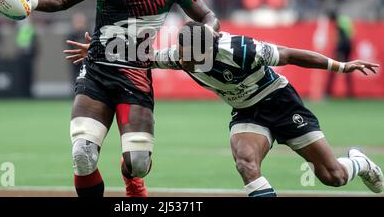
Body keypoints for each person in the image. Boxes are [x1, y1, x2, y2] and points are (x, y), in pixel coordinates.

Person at [66, 21, 382, 197]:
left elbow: (290, 55)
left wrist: (342, 67)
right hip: (246, 113)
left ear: (210, 48)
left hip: (280, 103)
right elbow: (135, 55)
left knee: (333, 176)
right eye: (184, 55)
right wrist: (94, 50)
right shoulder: (179, 55)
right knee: (246, 163)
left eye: (192, 56)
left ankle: (359, 163)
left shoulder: (242, 50)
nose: (185, 61)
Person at [28, 0, 220, 197]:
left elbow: (209, 16)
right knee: (83, 155)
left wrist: (206, 33)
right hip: (97, 74)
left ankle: (132, 178)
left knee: (139, 163)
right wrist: (30, 1)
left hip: (135, 79)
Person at [325, 11, 354, 97]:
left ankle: (328, 92)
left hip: (342, 48)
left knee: (333, 67)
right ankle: (350, 93)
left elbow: (342, 37)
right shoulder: (345, 20)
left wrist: (338, 50)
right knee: (348, 69)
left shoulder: (339, 24)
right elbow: (350, 35)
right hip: (348, 46)